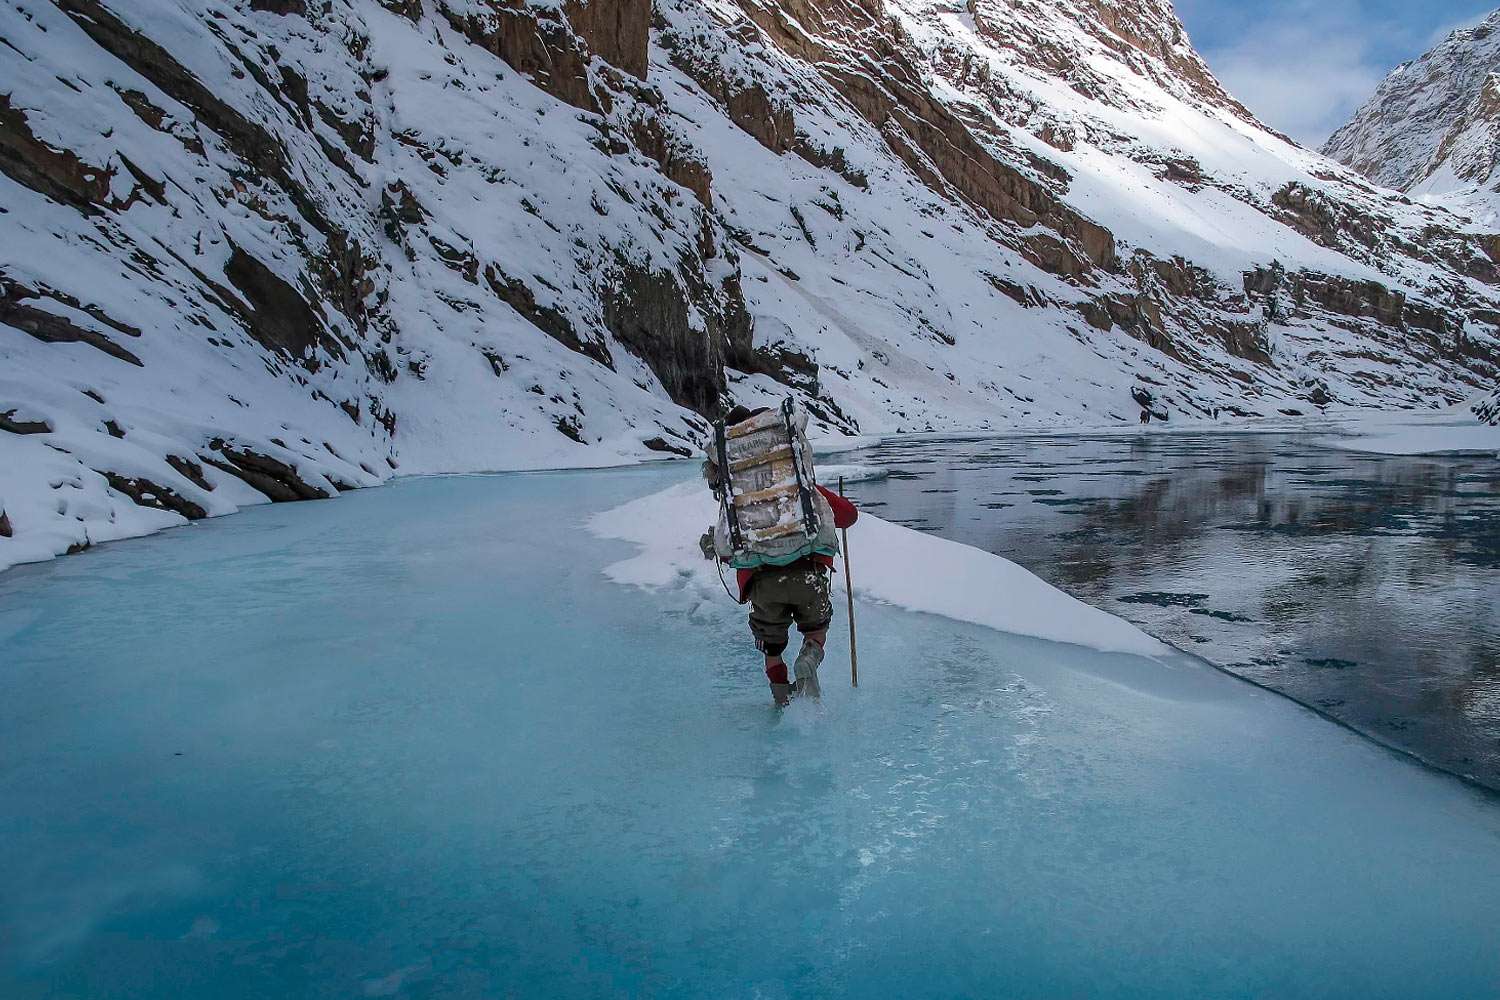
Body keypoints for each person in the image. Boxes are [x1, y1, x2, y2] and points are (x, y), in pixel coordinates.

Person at [702, 405, 859, 706]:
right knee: (817, 629)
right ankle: (808, 660)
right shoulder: (798, 492)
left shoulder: (739, 505)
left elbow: (726, 549)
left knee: (771, 648)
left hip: (763, 585)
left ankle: (780, 700)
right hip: (808, 574)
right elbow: (848, 516)